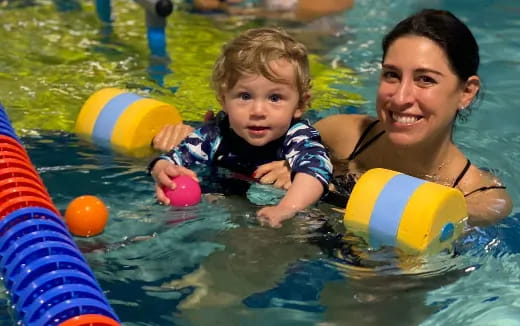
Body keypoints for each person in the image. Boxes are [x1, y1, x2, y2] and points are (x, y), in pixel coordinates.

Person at [152, 9, 513, 226]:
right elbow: (252, 136)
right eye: (390, 75)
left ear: (466, 92)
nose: (401, 97)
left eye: (425, 80)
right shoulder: (343, 135)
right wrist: (186, 136)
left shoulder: (480, 198)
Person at [149, 27, 333, 228]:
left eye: (275, 98)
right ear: (224, 100)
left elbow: (315, 171)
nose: (258, 111)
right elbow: (173, 159)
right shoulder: (215, 135)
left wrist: (287, 207)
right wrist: (162, 170)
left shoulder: (298, 136)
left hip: (284, 216)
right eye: (245, 96)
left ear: (299, 105)